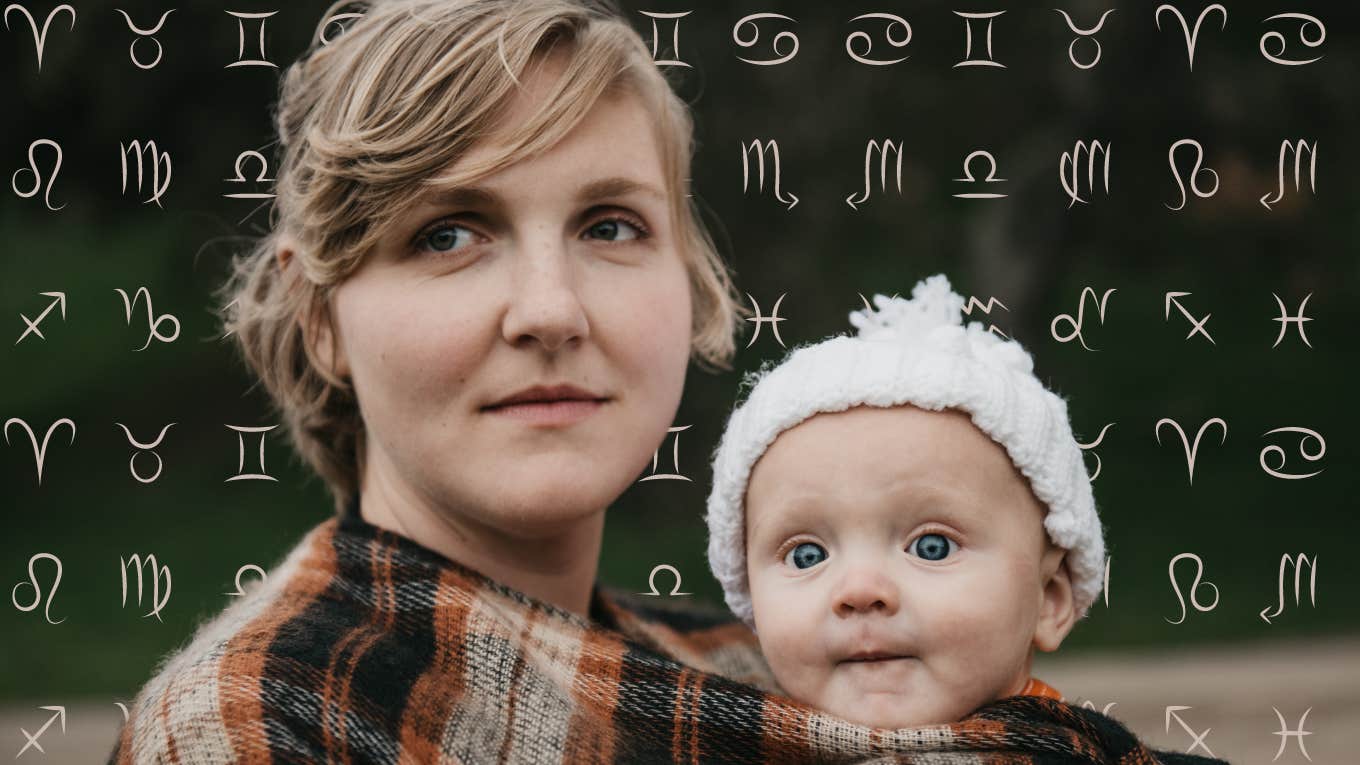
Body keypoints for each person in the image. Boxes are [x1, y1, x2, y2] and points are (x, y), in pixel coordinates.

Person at [108, 0, 1229, 761]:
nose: (550, 309)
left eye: (609, 224)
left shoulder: (770, 672)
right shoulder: (269, 722)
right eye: (449, 234)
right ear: (323, 321)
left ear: (689, 283)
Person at [705, 274, 1231, 759]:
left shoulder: (1075, 752)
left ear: (1048, 598)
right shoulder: (727, 738)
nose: (860, 590)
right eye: (806, 555)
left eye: (931, 545)